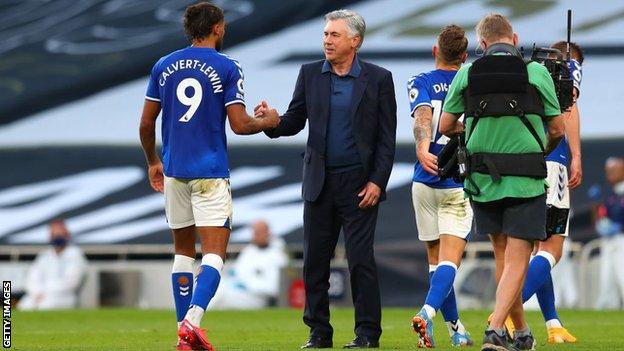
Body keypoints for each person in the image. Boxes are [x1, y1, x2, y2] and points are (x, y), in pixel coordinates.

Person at [138, 2, 280, 350]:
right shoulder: (229, 66)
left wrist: (152, 162)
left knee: (183, 253)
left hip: (174, 171)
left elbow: (145, 124)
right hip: (210, 173)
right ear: (217, 28)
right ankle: (192, 321)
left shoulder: (163, 65)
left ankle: (181, 335)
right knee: (215, 254)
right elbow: (240, 124)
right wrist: (269, 121)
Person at [255, 9, 397, 349]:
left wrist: (378, 181)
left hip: (360, 185)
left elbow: (386, 139)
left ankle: (367, 334)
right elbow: (294, 120)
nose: (327, 41)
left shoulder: (378, 78)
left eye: (334, 35)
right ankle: (319, 333)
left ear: (355, 41)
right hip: (319, 182)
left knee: (361, 261)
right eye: (325, 35)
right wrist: (271, 122)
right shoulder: (309, 75)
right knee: (314, 262)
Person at [439, 13, 565, 351]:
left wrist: (474, 129)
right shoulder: (536, 72)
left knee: (503, 257)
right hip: (525, 177)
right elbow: (557, 129)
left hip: (482, 180)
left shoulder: (466, 72)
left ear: (481, 44)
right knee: (518, 258)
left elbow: (446, 125)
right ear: (514, 38)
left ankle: (521, 333)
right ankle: (495, 329)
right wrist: (541, 148)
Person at [406, 25, 474, 348]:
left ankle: (455, 330)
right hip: (455, 180)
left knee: (435, 262)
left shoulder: (420, 82)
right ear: (464, 56)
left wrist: (422, 147)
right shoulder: (470, 82)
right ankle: (426, 312)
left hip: (423, 180)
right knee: (450, 262)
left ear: (436, 51)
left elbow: (422, 118)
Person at [514, 41, 584, 344]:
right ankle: (504, 312)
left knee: (535, 250)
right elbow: (569, 110)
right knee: (552, 250)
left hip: (522, 161)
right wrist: (576, 156)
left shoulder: (528, 72)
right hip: (552, 162)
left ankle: (553, 322)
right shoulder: (569, 68)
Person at [209, 220, 288, 309]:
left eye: (259, 233)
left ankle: (195, 314)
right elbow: (235, 271)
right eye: (255, 233)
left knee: (220, 292)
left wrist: (247, 285)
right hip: (237, 291)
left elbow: (274, 288)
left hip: (257, 298)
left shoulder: (277, 256)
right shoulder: (249, 250)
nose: (256, 236)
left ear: (267, 233)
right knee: (215, 283)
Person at [18, 219, 87, 310]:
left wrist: (46, 292)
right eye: (54, 234)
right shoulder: (44, 256)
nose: (57, 237)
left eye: (60, 234)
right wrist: (38, 293)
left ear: (67, 235)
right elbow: (32, 278)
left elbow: (72, 283)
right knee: (25, 305)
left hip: (65, 297)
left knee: (46, 305)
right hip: (39, 295)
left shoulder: (75, 255)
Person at [593, 157, 624, 309]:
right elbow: (602, 217)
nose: (609, 175)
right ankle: (607, 307)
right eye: (607, 172)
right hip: (610, 241)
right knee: (607, 277)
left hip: (622, 240)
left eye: (613, 171)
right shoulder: (611, 196)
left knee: (622, 275)